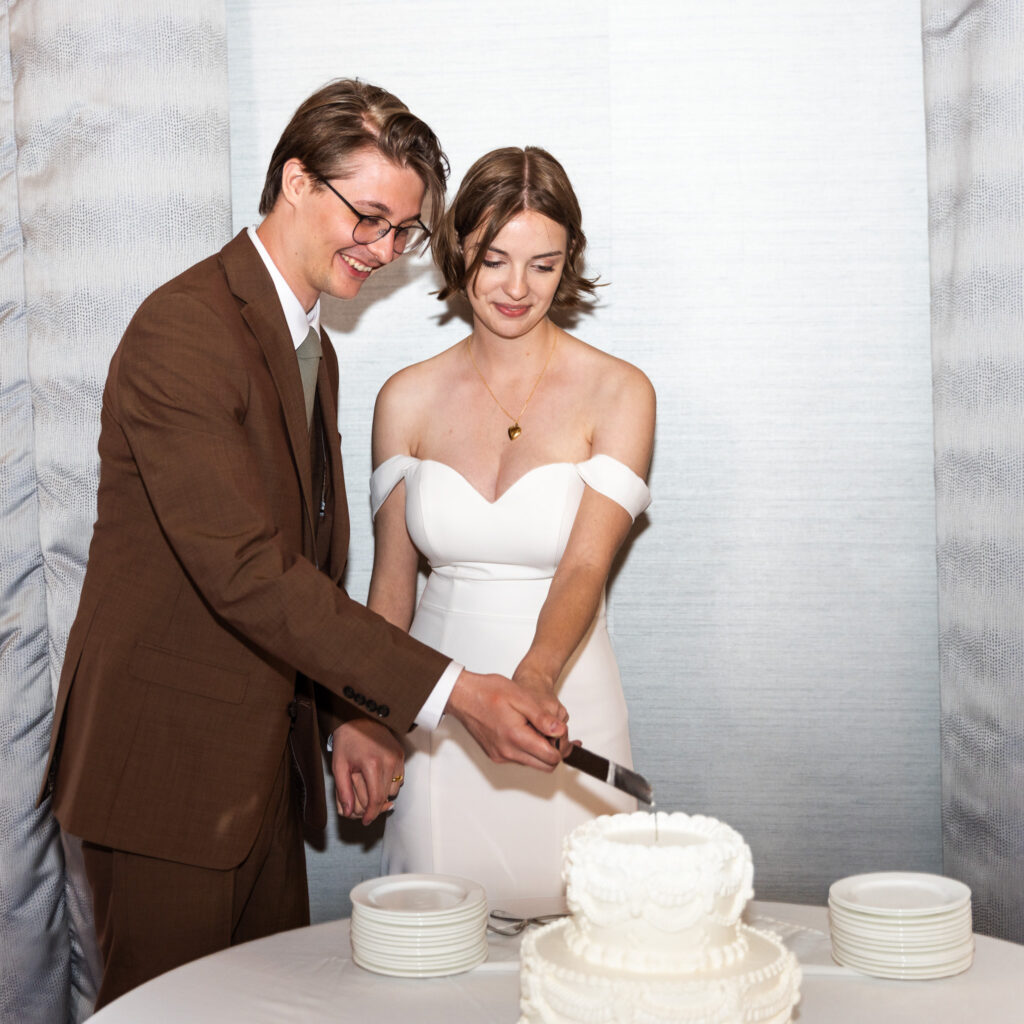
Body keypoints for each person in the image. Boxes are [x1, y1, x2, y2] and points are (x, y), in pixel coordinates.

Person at [38, 82, 568, 1009]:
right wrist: (453, 691)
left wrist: (346, 717)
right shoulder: (186, 330)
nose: (382, 249)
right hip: (166, 776)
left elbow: (313, 569)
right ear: (294, 179)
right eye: (368, 217)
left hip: (258, 778)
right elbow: (246, 572)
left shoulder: (308, 340)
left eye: (401, 232)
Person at [367, 146, 655, 902]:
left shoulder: (620, 392)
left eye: (544, 264)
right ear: (460, 246)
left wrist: (532, 682)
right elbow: (391, 586)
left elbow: (586, 567)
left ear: (570, 265)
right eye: (495, 259)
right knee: (432, 954)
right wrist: (366, 717)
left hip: (563, 699)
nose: (517, 288)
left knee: (588, 954)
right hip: (436, 713)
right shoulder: (405, 397)